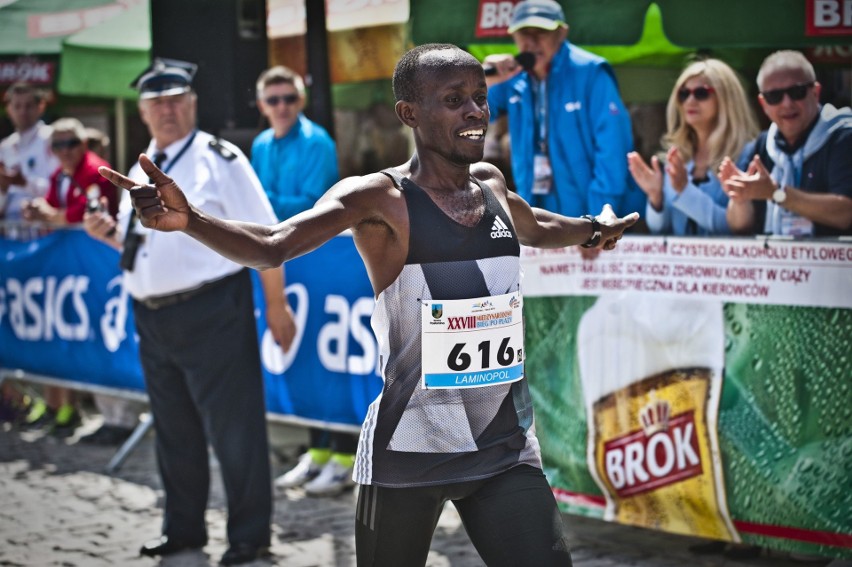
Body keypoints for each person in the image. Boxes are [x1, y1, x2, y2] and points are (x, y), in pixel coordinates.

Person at [100, 43, 638, 566]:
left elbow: (537, 224)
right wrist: (190, 220)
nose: (476, 110)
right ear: (410, 113)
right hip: (410, 449)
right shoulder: (378, 199)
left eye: (480, 96)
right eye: (454, 100)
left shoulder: (491, 183)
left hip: (503, 448)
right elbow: (272, 245)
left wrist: (594, 229)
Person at [83, 57, 296, 566]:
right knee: (173, 429)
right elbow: (143, 249)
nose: (168, 110)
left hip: (212, 307)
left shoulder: (220, 159)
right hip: (152, 314)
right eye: (157, 102)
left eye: (177, 100)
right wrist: (108, 235)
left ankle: (249, 539)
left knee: (235, 429)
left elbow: (265, 236)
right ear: (143, 111)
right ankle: (183, 530)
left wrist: (276, 305)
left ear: (193, 104)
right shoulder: (138, 167)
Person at [251, 64, 358, 496]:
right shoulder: (260, 143)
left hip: (317, 258)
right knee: (302, 355)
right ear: (261, 105)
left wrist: (260, 202)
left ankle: (346, 456)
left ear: (300, 101)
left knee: (334, 355)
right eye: (273, 100)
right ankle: (315, 452)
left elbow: (310, 203)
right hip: (282, 261)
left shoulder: (317, 142)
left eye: (289, 99)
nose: (281, 107)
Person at [484, 0, 643, 220]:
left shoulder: (591, 72)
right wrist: (486, 78)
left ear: (561, 33)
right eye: (523, 33)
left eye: (540, 32)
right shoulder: (513, 77)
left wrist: (596, 220)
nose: (531, 41)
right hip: (540, 217)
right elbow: (471, 111)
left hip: (596, 217)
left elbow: (613, 148)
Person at [720, 50, 852, 236]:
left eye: (796, 92)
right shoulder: (762, 145)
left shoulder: (843, 137)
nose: (787, 104)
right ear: (763, 103)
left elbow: (845, 213)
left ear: (815, 92)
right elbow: (740, 226)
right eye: (774, 96)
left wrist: (776, 194)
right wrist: (740, 197)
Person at [626, 59, 759, 235]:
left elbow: (735, 229)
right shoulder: (677, 155)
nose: (690, 100)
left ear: (727, 98)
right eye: (683, 93)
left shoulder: (747, 155)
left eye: (701, 93)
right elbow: (661, 229)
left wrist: (685, 191)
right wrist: (655, 197)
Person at [0, 82, 58, 224]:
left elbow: (59, 191)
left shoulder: (52, 138)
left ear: (41, 107)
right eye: (17, 106)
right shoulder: (5, 146)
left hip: (44, 229)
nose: (22, 112)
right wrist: (3, 188)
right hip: (9, 232)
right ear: (8, 109)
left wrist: (24, 182)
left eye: (28, 106)